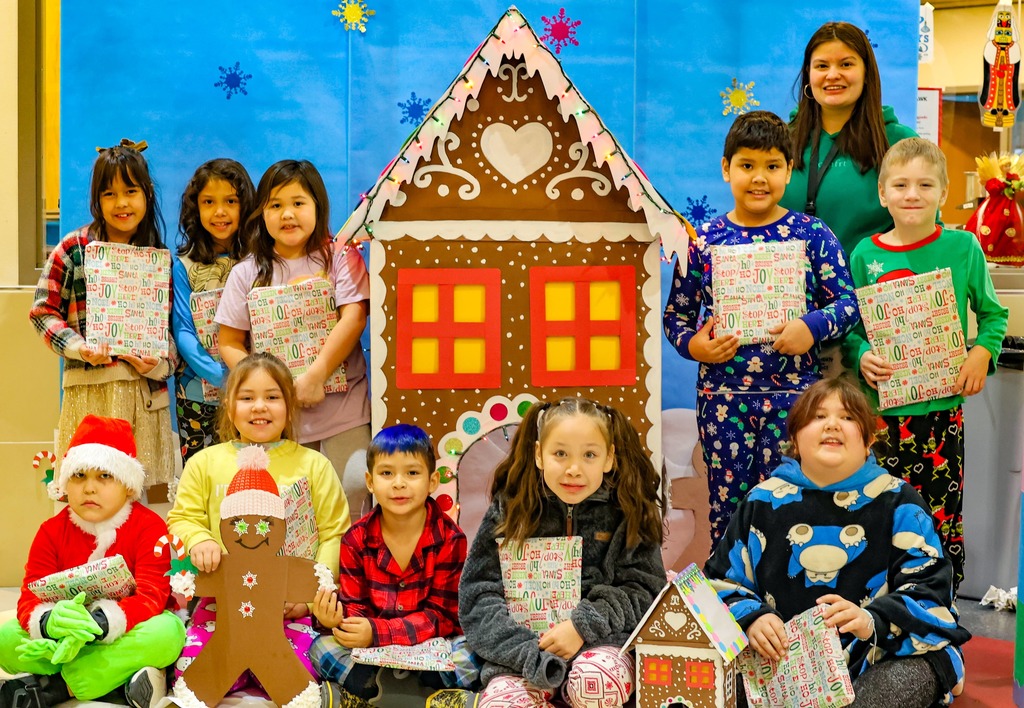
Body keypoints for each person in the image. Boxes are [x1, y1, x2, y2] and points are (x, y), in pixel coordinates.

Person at [704, 377, 971, 708]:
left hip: (878, 655)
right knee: (717, 684)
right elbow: (718, 583)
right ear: (794, 439)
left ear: (869, 439)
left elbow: (931, 589)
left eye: (847, 417)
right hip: (785, 665)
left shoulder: (899, 500)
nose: (832, 424)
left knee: (905, 679)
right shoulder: (762, 501)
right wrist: (753, 617)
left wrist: (871, 620)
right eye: (818, 416)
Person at [664, 110, 859, 547]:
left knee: (793, 504)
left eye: (772, 166)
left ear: (789, 170)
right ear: (726, 168)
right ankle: (730, 587)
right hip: (723, 400)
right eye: (747, 165)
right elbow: (676, 317)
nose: (759, 178)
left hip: (794, 398)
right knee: (728, 508)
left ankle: (789, 586)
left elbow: (849, 304)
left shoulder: (812, 235)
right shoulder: (702, 242)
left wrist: (811, 327)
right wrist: (695, 346)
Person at [843, 137, 1009, 594]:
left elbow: (994, 315)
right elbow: (851, 327)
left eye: (925, 185)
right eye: (900, 185)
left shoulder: (963, 247)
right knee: (880, 511)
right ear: (883, 194)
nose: (912, 194)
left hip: (941, 415)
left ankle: (938, 604)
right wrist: (861, 354)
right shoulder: (864, 255)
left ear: (944, 192)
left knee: (939, 515)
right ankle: (882, 606)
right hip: (881, 417)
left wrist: (981, 353)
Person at [459, 397, 666, 708]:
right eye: (560, 454)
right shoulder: (512, 508)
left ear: (608, 458)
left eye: (589, 455)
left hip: (601, 647)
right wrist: (528, 653)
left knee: (597, 683)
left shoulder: (626, 510)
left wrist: (583, 626)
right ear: (539, 454)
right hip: (521, 657)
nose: (573, 469)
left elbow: (645, 590)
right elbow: (478, 594)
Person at [166, 352, 350, 694]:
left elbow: (335, 533)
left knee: (299, 679)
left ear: (289, 405)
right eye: (247, 398)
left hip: (291, 610)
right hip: (221, 608)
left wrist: (309, 597)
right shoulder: (204, 463)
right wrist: (199, 540)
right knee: (194, 679)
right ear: (229, 406)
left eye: (272, 397)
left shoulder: (313, 465)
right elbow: (183, 518)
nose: (260, 407)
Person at [215, 159, 372, 521]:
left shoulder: (340, 257)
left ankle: (346, 561)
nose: (287, 214)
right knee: (285, 509)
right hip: (278, 420)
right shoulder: (246, 272)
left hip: (344, 409)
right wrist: (269, 389)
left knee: (353, 491)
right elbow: (230, 342)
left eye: (298, 203)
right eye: (275, 205)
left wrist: (316, 375)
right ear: (262, 213)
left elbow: (354, 317)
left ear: (318, 205)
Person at [0, 415, 186, 708]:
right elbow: (30, 597)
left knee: (168, 633)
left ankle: (57, 687)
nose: (89, 488)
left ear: (128, 485)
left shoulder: (149, 526)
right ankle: (115, 680)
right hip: (65, 636)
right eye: (79, 476)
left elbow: (153, 596)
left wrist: (100, 622)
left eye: (104, 476)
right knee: (6, 638)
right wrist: (49, 622)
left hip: (125, 630)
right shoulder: (50, 531)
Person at [29, 139, 176, 490]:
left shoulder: (157, 256)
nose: (121, 203)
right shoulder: (74, 249)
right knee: (89, 495)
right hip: (89, 396)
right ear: (97, 199)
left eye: (131, 191)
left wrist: (157, 365)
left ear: (147, 193)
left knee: (143, 497)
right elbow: (42, 311)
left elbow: (172, 334)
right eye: (110, 194)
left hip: (145, 398)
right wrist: (79, 348)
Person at [310, 424, 477, 707]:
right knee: (320, 648)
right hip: (373, 650)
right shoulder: (355, 539)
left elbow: (441, 616)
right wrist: (334, 620)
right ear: (370, 481)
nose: (399, 483)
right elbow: (355, 607)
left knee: (472, 653)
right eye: (387, 473)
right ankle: (420, 696)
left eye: (412, 473)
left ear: (432, 481)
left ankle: (379, 695)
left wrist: (377, 632)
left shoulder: (450, 538)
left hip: (430, 644)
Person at [779, 21, 919, 257]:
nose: (833, 75)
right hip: (789, 279)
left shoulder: (899, 141)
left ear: (866, 74)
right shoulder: (781, 140)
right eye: (822, 66)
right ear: (808, 76)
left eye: (846, 64)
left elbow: (924, 226)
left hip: (871, 278)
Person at [171, 158, 256, 464]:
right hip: (197, 393)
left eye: (230, 201)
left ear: (246, 205)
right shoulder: (184, 264)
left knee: (253, 471)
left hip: (253, 393)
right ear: (196, 207)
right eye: (209, 202)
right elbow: (182, 329)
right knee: (203, 472)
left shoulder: (260, 261)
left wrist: (249, 379)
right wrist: (220, 376)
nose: (220, 212)